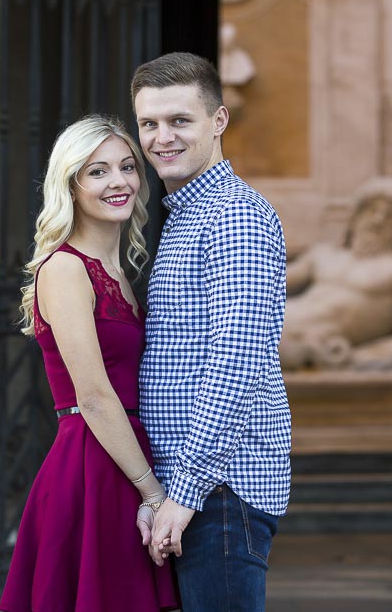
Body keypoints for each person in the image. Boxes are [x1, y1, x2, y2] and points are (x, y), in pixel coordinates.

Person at [131, 52, 292, 612]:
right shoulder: (186, 216)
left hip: (220, 494)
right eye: (149, 123)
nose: (161, 138)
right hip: (193, 490)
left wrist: (186, 490)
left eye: (180, 120)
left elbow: (238, 359)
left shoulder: (234, 216)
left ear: (218, 122)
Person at [0, 115, 178, 612]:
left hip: (127, 459)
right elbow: (96, 398)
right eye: (97, 172)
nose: (118, 181)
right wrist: (154, 496)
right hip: (91, 468)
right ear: (71, 186)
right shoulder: (65, 268)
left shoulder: (122, 272)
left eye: (126, 167)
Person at [280, 177, 392, 371]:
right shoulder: (323, 255)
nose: (378, 220)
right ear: (354, 218)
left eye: (390, 216)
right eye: (372, 210)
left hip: (304, 342)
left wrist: (357, 358)